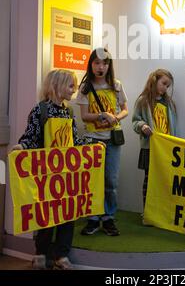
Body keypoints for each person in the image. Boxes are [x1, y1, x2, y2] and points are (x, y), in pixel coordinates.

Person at [11, 69, 89, 270]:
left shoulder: (69, 112)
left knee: (67, 216)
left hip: (66, 174)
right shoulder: (41, 110)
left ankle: (61, 255)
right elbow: (32, 136)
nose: (74, 90)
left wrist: (89, 147)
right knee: (46, 215)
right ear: (57, 86)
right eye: (70, 85)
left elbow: (74, 140)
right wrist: (23, 146)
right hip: (46, 174)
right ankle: (41, 253)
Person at [76, 47, 128, 237]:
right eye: (97, 63)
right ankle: (93, 218)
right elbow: (84, 116)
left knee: (111, 181)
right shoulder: (85, 88)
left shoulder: (116, 85)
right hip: (93, 140)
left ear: (109, 65)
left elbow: (125, 109)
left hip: (113, 140)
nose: (101, 67)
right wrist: (102, 114)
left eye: (105, 63)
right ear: (91, 65)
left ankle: (108, 218)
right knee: (92, 181)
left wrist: (116, 117)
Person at [132, 69, 179, 215]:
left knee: (164, 180)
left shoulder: (169, 104)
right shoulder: (143, 101)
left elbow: (173, 125)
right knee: (149, 180)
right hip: (150, 147)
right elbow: (135, 121)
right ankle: (148, 212)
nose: (165, 88)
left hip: (166, 148)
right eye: (164, 83)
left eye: (168, 86)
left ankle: (161, 213)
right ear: (154, 80)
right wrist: (142, 126)